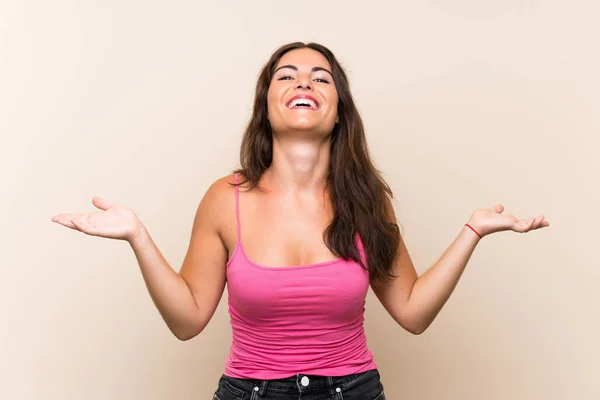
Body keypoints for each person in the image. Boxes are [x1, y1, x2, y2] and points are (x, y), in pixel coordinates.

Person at [52, 42, 549, 399]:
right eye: (285, 75)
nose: (303, 82)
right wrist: (138, 236)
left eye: (321, 76)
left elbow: (413, 313)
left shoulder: (366, 201)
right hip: (249, 393)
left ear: (338, 112)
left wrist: (473, 232)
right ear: (266, 107)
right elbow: (186, 322)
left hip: (352, 391)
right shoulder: (226, 198)